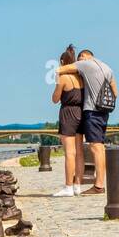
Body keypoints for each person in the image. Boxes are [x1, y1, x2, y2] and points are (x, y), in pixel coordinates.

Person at [57, 48, 117, 193]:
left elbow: (61, 69)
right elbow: (115, 92)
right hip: (104, 111)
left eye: (79, 59)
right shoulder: (107, 67)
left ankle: (99, 186)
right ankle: (99, 183)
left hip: (92, 111)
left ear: (84, 57)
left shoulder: (85, 64)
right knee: (100, 147)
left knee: (95, 148)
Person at [50, 44, 84, 196]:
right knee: (79, 152)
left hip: (68, 113)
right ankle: (77, 185)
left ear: (63, 62)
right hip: (81, 112)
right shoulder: (81, 77)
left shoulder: (63, 77)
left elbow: (55, 99)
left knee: (69, 152)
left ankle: (68, 186)